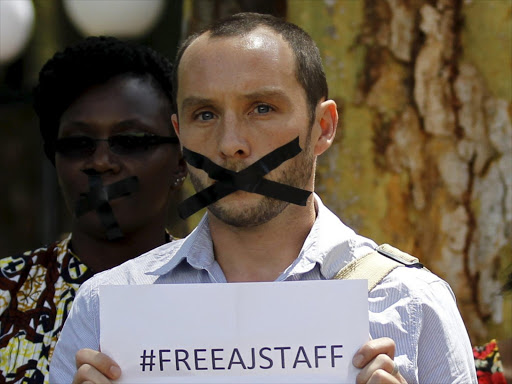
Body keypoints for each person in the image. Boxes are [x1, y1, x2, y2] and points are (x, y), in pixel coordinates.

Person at [49, 13, 477, 384]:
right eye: (206, 115)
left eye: (262, 108)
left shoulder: (412, 302)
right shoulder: (107, 306)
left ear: (323, 126)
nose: (231, 144)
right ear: (180, 136)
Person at [0, 36, 186, 384]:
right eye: (78, 144)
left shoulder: (218, 296)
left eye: (131, 141)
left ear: (181, 160)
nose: (100, 162)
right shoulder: (5, 294)